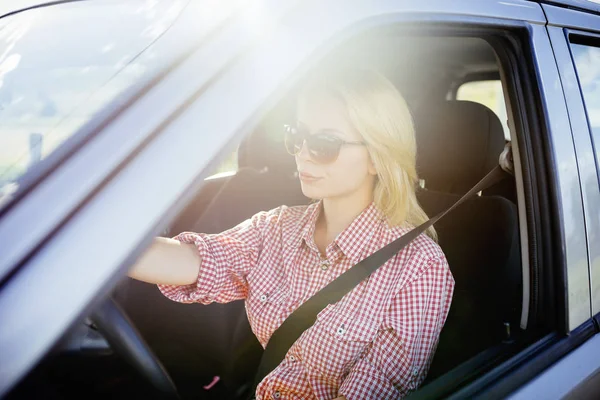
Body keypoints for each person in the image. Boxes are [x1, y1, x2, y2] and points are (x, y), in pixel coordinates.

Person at [129, 69, 455, 399]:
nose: (302, 152)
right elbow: (196, 260)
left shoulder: (418, 267)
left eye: (324, 143)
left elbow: (376, 390)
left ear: (376, 158)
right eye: (297, 136)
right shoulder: (277, 227)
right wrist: (99, 249)